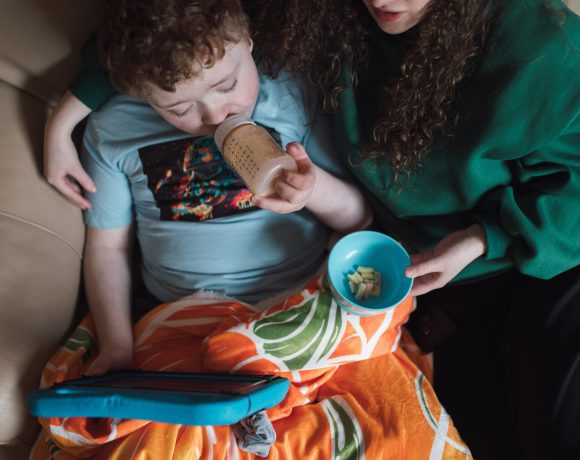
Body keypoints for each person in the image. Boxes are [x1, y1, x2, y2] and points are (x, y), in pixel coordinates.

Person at [247, 0, 580, 458]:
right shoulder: (326, 15)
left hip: (543, 260)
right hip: (430, 285)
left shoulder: (544, 50)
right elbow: (178, 31)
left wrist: (485, 238)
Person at [48, 0, 371, 379]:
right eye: (180, 110)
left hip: (299, 300)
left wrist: (311, 189)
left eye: (228, 85)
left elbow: (359, 220)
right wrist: (117, 345)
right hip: (184, 316)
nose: (216, 115)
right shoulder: (114, 129)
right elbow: (108, 248)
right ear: (142, 95)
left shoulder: (289, 93)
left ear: (249, 43)